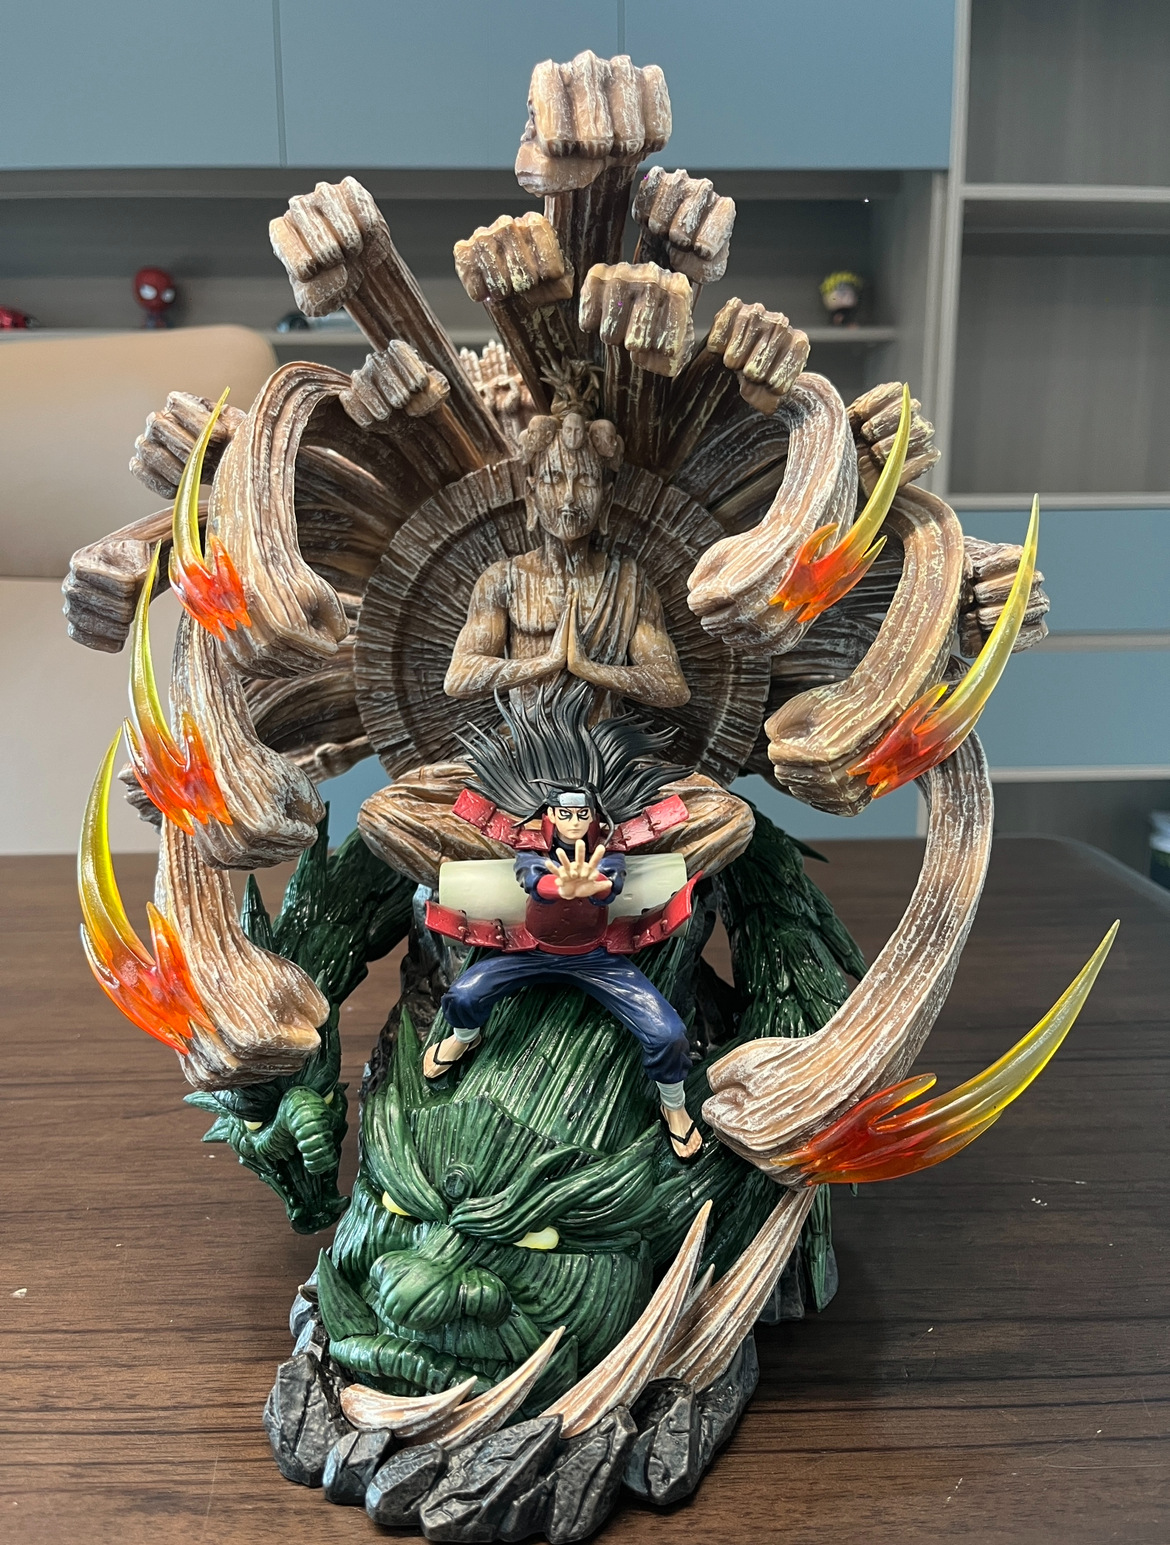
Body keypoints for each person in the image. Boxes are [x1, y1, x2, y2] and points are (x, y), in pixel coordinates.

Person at [422, 684, 704, 1163]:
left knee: (668, 1033)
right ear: (549, 815)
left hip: (598, 959)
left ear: (594, 817)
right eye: (565, 813)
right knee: (464, 996)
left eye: (582, 814)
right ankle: (466, 1038)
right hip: (530, 951)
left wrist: (592, 886)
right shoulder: (531, 851)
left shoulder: (608, 854)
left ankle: (673, 1105)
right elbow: (533, 882)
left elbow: (610, 885)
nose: (574, 821)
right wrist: (561, 887)